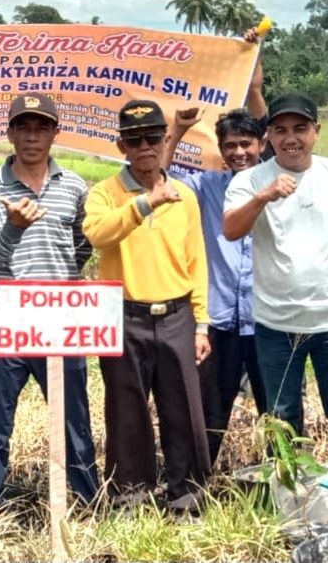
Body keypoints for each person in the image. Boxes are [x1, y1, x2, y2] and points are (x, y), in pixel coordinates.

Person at [223, 92, 328, 490]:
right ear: (268, 137)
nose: (291, 138)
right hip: (276, 324)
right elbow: (231, 230)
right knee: (282, 417)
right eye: (280, 130)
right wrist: (264, 196)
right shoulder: (250, 181)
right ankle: (290, 500)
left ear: (317, 131)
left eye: (300, 128)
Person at [82, 98, 211, 511]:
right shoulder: (105, 192)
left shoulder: (185, 196)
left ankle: (187, 498)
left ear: (163, 141)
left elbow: (197, 260)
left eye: (153, 138)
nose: (144, 147)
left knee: (184, 411)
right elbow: (97, 233)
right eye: (134, 140)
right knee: (126, 413)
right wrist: (144, 204)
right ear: (121, 146)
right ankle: (130, 498)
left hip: (176, 316)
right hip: (123, 314)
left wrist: (202, 322)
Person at [0, 93, 100, 509]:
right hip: (4, 318)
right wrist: (13, 228)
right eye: (23, 128)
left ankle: (85, 502)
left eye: (41, 127)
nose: (32, 137)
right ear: (9, 133)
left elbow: (82, 249)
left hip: (61, 317)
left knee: (74, 419)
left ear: (54, 134)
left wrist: (59, 278)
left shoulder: (75, 186)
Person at [161, 107, 269, 466]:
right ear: (220, 150)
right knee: (210, 412)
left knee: (277, 414)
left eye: (246, 144)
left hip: (269, 321)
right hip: (218, 322)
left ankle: (284, 491)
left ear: (261, 144)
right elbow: (160, 181)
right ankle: (195, 489)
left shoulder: (281, 187)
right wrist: (178, 130)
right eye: (230, 145)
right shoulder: (207, 187)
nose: (239, 152)